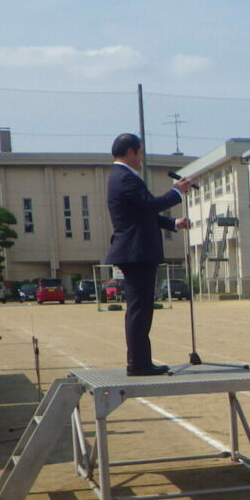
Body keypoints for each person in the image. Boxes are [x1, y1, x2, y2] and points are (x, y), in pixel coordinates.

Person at [104, 132, 191, 376]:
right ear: (130, 152)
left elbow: (144, 213)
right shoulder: (125, 178)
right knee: (140, 310)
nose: (141, 158)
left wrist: (174, 223)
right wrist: (176, 192)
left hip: (135, 251)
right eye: (140, 152)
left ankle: (141, 362)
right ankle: (138, 364)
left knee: (140, 309)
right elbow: (151, 204)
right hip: (136, 252)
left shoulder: (120, 177)